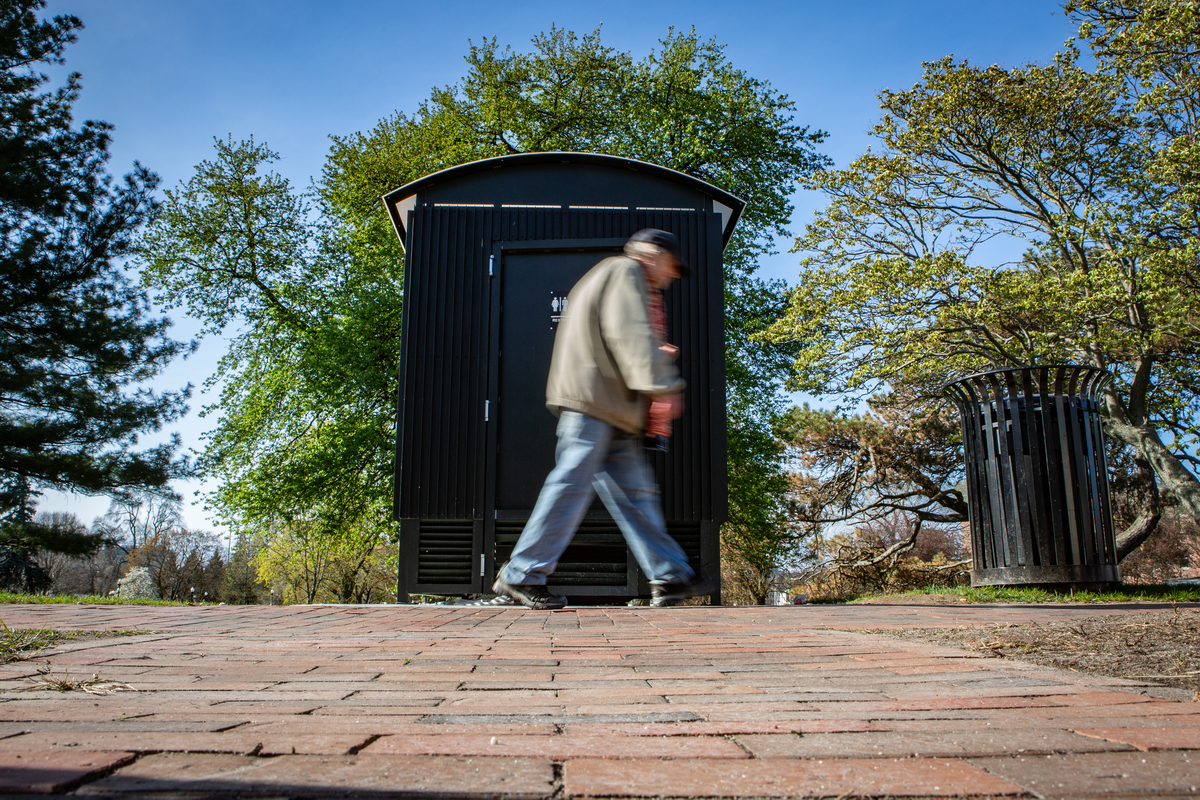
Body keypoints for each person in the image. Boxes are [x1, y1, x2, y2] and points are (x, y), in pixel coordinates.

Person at [492, 229, 715, 609]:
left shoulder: (613, 274)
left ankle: (670, 575)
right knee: (571, 484)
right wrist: (666, 386)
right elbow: (630, 335)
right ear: (653, 254)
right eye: (672, 265)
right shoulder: (626, 271)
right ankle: (521, 575)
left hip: (611, 407)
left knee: (636, 496)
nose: (673, 275)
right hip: (594, 403)